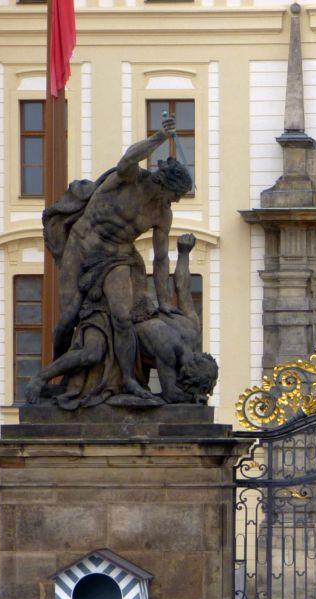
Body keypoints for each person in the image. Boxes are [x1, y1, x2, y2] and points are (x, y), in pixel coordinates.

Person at [29, 115, 193, 406]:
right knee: (68, 318)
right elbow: (128, 158)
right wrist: (159, 137)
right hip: (82, 246)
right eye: (175, 195)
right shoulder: (129, 179)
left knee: (122, 317)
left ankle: (129, 379)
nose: (176, 201)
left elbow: (160, 258)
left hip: (118, 256)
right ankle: (57, 377)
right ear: (163, 183)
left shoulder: (162, 213)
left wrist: (164, 300)